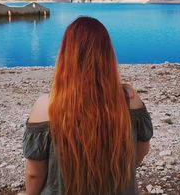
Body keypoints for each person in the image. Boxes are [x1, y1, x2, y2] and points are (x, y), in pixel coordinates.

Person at [23, 16, 153, 195]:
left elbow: (34, 174)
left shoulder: (46, 107)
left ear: (66, 55)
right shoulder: (131, 100)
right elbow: (142, 150)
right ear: (107, 54)